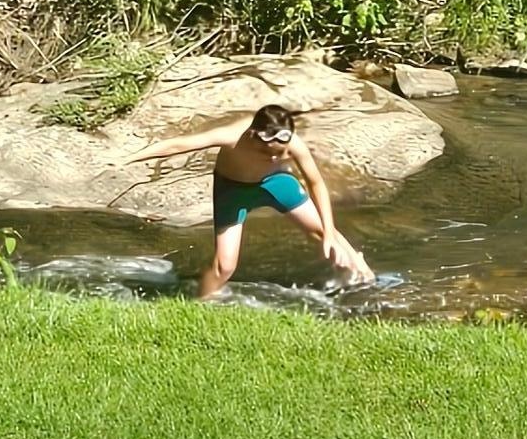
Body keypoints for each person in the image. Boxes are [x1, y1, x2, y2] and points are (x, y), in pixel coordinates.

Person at [152, 99, 378, 300]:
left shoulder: (294, 144)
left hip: (275, 184)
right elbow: (177, 145)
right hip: (233, 192)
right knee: (224, 267)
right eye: (266, 153)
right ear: (253, 135)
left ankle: (363, 277)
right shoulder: (232, 136)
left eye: (280, 154)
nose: (273, 158)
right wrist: (133, 156)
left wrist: (328, 232)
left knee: (324, 233)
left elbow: (316, 183)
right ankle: (202, 302)